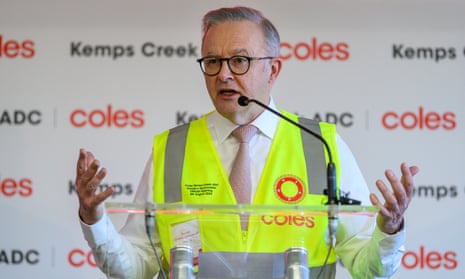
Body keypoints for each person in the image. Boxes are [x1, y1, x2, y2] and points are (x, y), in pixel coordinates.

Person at [76, 6, 419, 279]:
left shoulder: (321, 146)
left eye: (239, 60)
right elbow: (134, 268)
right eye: (212, 61)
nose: (224, 74)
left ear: (273, 70)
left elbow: (368, 268)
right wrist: (95, 220)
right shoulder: (172, 149)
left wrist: (388, 230)